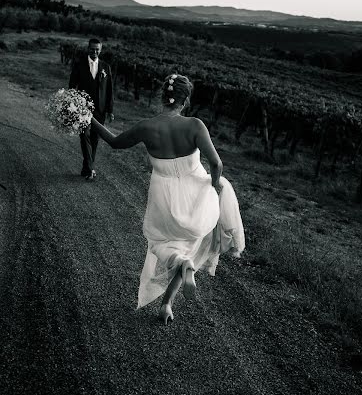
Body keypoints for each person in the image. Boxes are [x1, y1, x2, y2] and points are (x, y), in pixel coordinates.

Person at [91, 73, 245, 324]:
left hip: (163, 195)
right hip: (196, 194)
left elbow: (115, 143)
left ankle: (171, 293)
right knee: (190, 246)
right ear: (184, 102)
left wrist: (90, 119)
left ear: (162, 98)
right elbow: (216, 163)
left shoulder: (146, 126)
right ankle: (167, 303)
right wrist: (215, 185)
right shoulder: (195, 125)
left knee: (163, 244)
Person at [69, 38, 114, 180]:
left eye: (97, 49)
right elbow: (72, 85)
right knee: (84, 136)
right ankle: (90, 169)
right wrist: (72, 104)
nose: (94, 51)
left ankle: (86, 168)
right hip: (82, 108)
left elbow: (110, 91)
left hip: (100, 110)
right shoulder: (79, 64)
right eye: (92, 49)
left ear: (100, 50)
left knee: (95, 139)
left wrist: (110, 110)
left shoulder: (106, 67)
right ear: (88, 48)